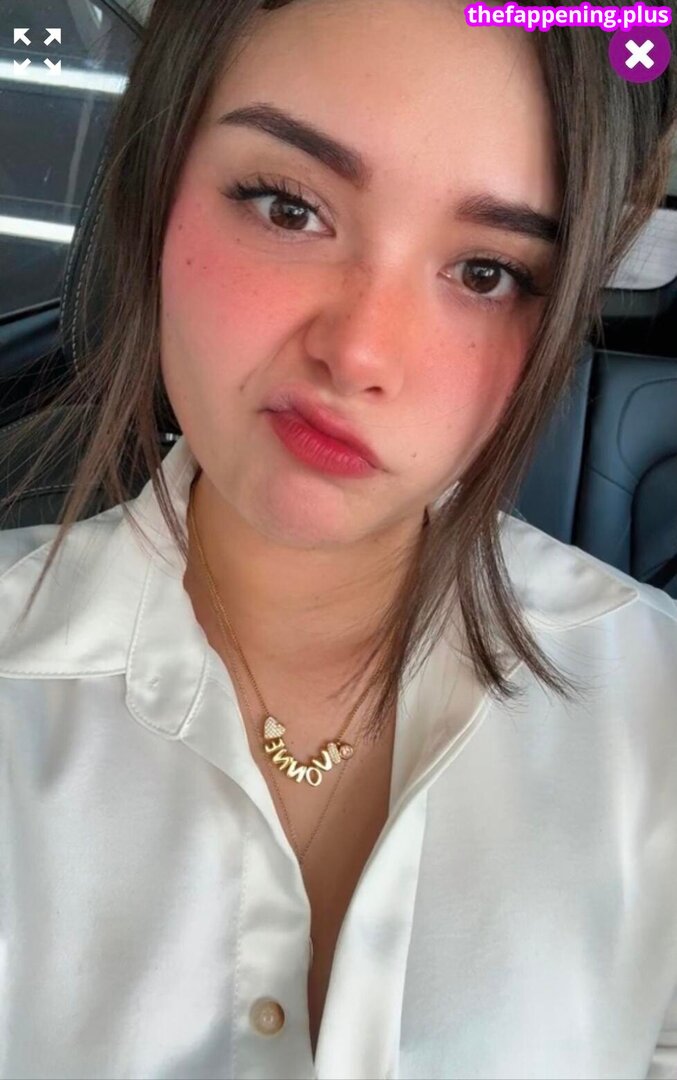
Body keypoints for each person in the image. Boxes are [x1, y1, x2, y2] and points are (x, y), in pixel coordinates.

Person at [1, 0, 676, 1076]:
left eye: (486, 272)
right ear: (156, 190)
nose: (361, 352)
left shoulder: (655, 713)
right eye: (288, 208)